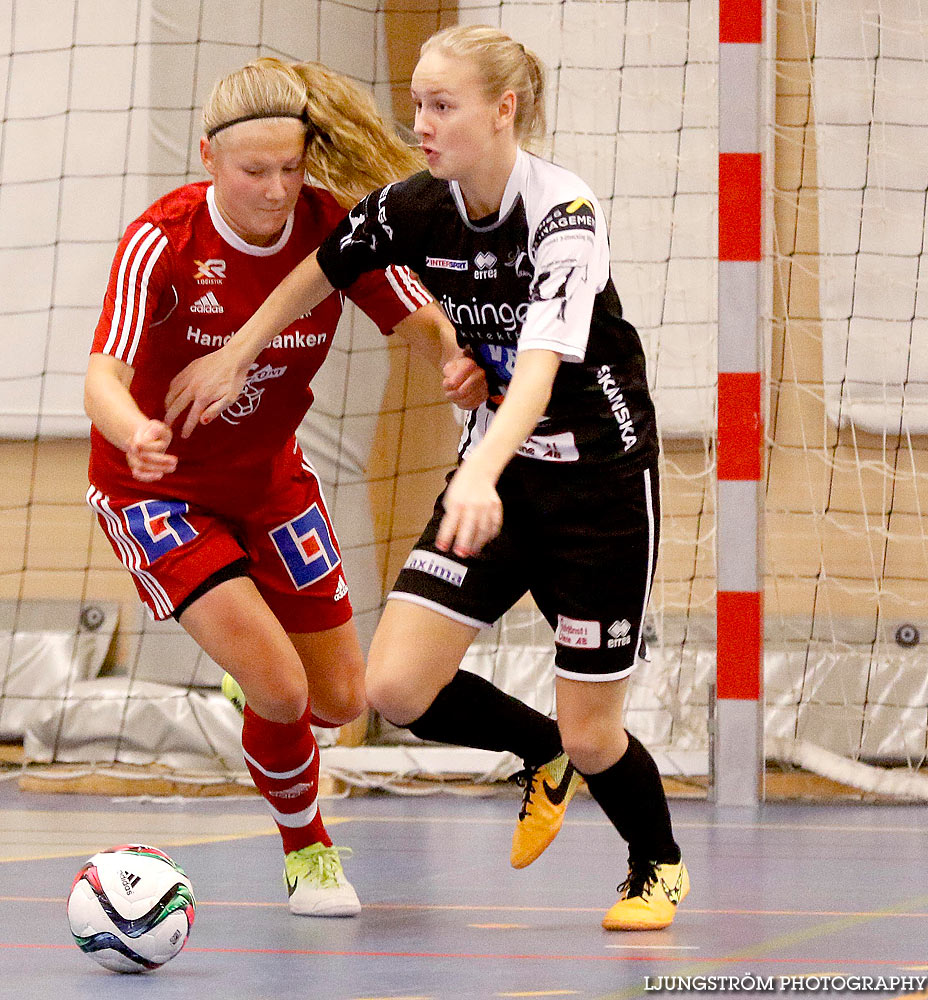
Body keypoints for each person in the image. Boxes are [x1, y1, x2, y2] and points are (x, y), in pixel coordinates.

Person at [164, 26, 687, 932]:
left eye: (442, 106)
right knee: (395, 690)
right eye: (417, 105)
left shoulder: (564, 213)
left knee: (595, 733)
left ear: (503, 110)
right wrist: (238, 354)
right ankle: (539, 756)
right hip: (499, 478)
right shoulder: (415, 204)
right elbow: (318, 274)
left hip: (597, 488)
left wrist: (479, 467)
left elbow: (537, 370)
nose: (423, 124)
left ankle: (656, 865)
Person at [84, 56, 485, 918]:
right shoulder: (165, 240)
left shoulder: (329, 228)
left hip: (269, 482)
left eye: (290, 169)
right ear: (208, 159)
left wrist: (457, 361)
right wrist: (138, 433)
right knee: (283, 691)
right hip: (156, 489)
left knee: (342, 700)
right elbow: (101, 379)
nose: (274, 190)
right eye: (252, 172)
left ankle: (256, 682)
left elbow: (416, 316)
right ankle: (309, 856)